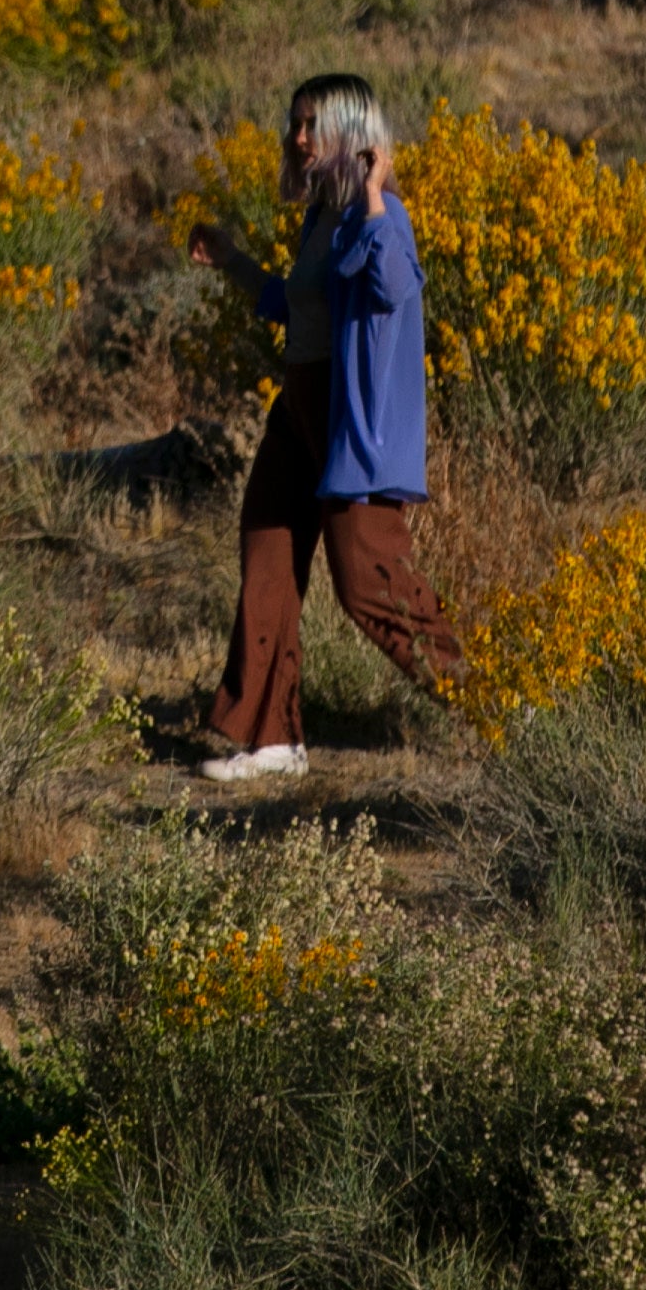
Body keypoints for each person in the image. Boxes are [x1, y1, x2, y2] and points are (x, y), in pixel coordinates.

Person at [188, 73, 457, 780]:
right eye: (295, 124)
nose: (298, 137)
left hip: (346, 417)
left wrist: (374, 192)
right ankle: (270, 735)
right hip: (297, 406)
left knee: (367, 582)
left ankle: (486, 698)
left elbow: (394, 284)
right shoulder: (320, 219)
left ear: (351, 136)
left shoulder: (379, 213)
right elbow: (293, 303)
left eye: (313, 124)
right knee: (268, 553)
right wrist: (233, 260)